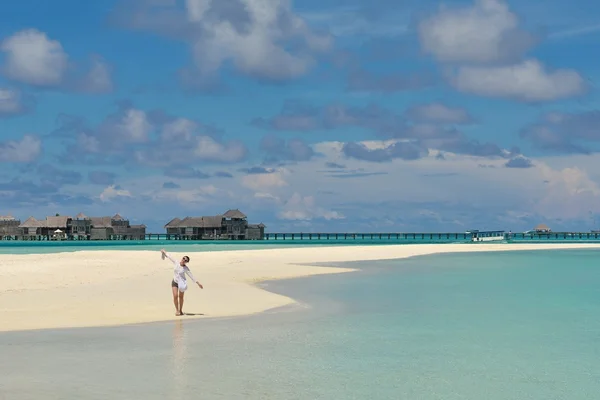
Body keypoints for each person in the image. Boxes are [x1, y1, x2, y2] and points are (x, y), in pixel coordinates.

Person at [160, 249, 203, 316]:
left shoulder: (185, 268)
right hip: (174, 282)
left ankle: (181, 310)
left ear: (186, 262)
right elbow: (170, 257)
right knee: (175, 296)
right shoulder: (176, 262)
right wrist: (164, 251)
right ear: (182, 258)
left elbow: (191, 276)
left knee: (181, 297)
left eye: (185, 260)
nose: (184, 260)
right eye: (183, 258)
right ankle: (177, 310)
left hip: (182, 284)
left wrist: (198, 283)